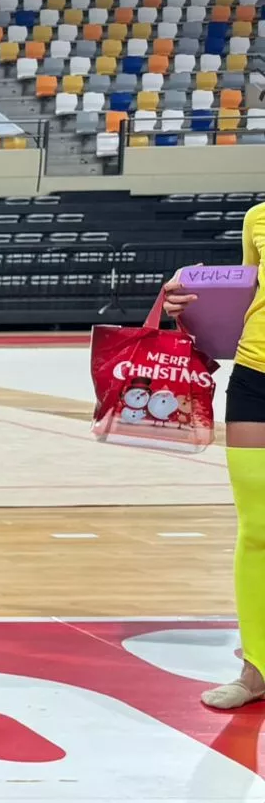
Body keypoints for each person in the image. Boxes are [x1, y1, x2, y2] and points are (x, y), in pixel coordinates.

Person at [160, 199, 265, 709]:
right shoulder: (258, 217)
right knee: (258, 528)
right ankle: (256, 669)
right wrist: (185, 304)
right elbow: (247, 295)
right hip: (256, 376)